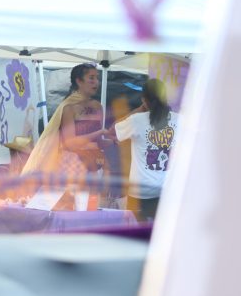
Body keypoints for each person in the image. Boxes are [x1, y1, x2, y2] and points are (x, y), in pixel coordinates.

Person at [21, 63, 109, 210]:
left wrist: (110, 140)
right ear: (79, 81)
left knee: (90, 209)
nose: (96, 82)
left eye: (97, 78)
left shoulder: (97, 106)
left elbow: (97, 142)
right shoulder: (68, 107)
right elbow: (70, 143)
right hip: (72, 165)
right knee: (71, 208)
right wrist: (98, 134)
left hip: (93, 164)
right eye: (91, 78)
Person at [112, 78, 180, 221]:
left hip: (140, 192)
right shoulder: (179, 120)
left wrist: (140, 109)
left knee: (135, 238)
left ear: (144, 99)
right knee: (162, 238)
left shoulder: (137, 120)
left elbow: (114, 129)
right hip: (167, 190)